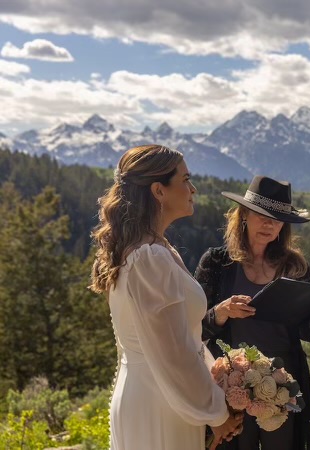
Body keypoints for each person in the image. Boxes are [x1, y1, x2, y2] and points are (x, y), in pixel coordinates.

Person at [90, 145, 243, 450]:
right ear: (159, 191)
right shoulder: (150, 258)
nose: (193, 188)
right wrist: (215, 412)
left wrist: (221, 378)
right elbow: (174, 353)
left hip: (158, 394)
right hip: (160, 401)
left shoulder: (152, 250)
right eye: (185, 179)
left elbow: (182, 340)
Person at [196, 175, 310, 450]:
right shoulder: (217, 263)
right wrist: (221, 312)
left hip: (282, 385)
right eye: (262, 215)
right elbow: (193, 328)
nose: (269, 224)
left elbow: (305, 330)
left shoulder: (295, 267)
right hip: (231, 385)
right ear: (243, 215)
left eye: (278, 218)